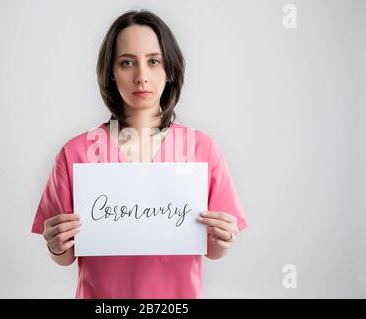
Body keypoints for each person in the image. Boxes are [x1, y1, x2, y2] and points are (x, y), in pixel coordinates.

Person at [31, 9, 248, 299]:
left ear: (169, 69)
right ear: (110, 72)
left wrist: (224, 237)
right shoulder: (76, 154)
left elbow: (212, 250)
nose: (141, 76)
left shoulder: (203, 150)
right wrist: (56, 245)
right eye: (127, 62)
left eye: (154, 61)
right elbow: (65, 256)